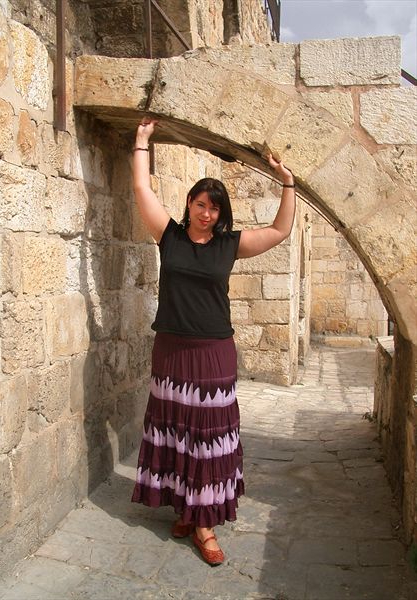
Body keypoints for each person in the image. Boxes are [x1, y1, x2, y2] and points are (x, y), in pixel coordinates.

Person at [130, 118, 296, 566]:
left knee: (208, 437)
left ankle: (204, 523)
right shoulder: (170, 236)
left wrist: (287, 183)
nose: (206, 213)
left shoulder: (229, 245)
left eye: (214, 208)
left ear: (222, 213)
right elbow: (144, 192)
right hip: (170, 349)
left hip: (212, 353)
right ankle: (186, 508)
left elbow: (280, 232)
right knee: (178, 432)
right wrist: (142, 142)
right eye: (201, 204)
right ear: (189, 203)